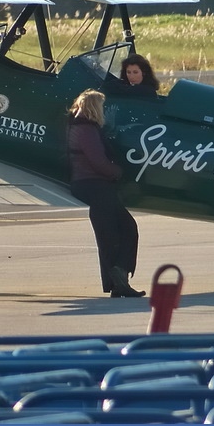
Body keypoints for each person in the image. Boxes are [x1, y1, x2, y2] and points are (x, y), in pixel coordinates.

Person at [66, 89, 144, 298]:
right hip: (94, 184)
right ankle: (119, 277)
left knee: (111, 233)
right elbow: (97, 161)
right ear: (94, 108)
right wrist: (118, 172)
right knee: (123, 229)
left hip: (91, 184)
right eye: (101, 107)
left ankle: (118, 281)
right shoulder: (86, 130)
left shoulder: (81, 126)